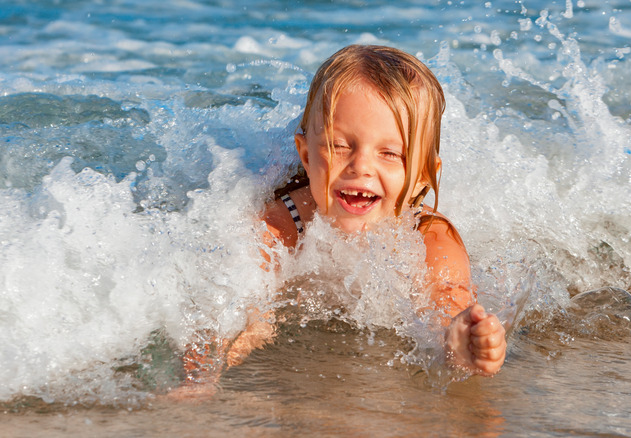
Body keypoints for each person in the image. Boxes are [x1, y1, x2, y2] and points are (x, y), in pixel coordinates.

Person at [171, 45, 506, 399]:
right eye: (339, 146)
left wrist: (458, 341)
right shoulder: (284, 222)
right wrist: (200, 378)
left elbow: (446, 301)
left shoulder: (431, 235)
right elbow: (231, 309)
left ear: (423, 175)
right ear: (306, 154)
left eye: (390, 153)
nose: (360, 166)